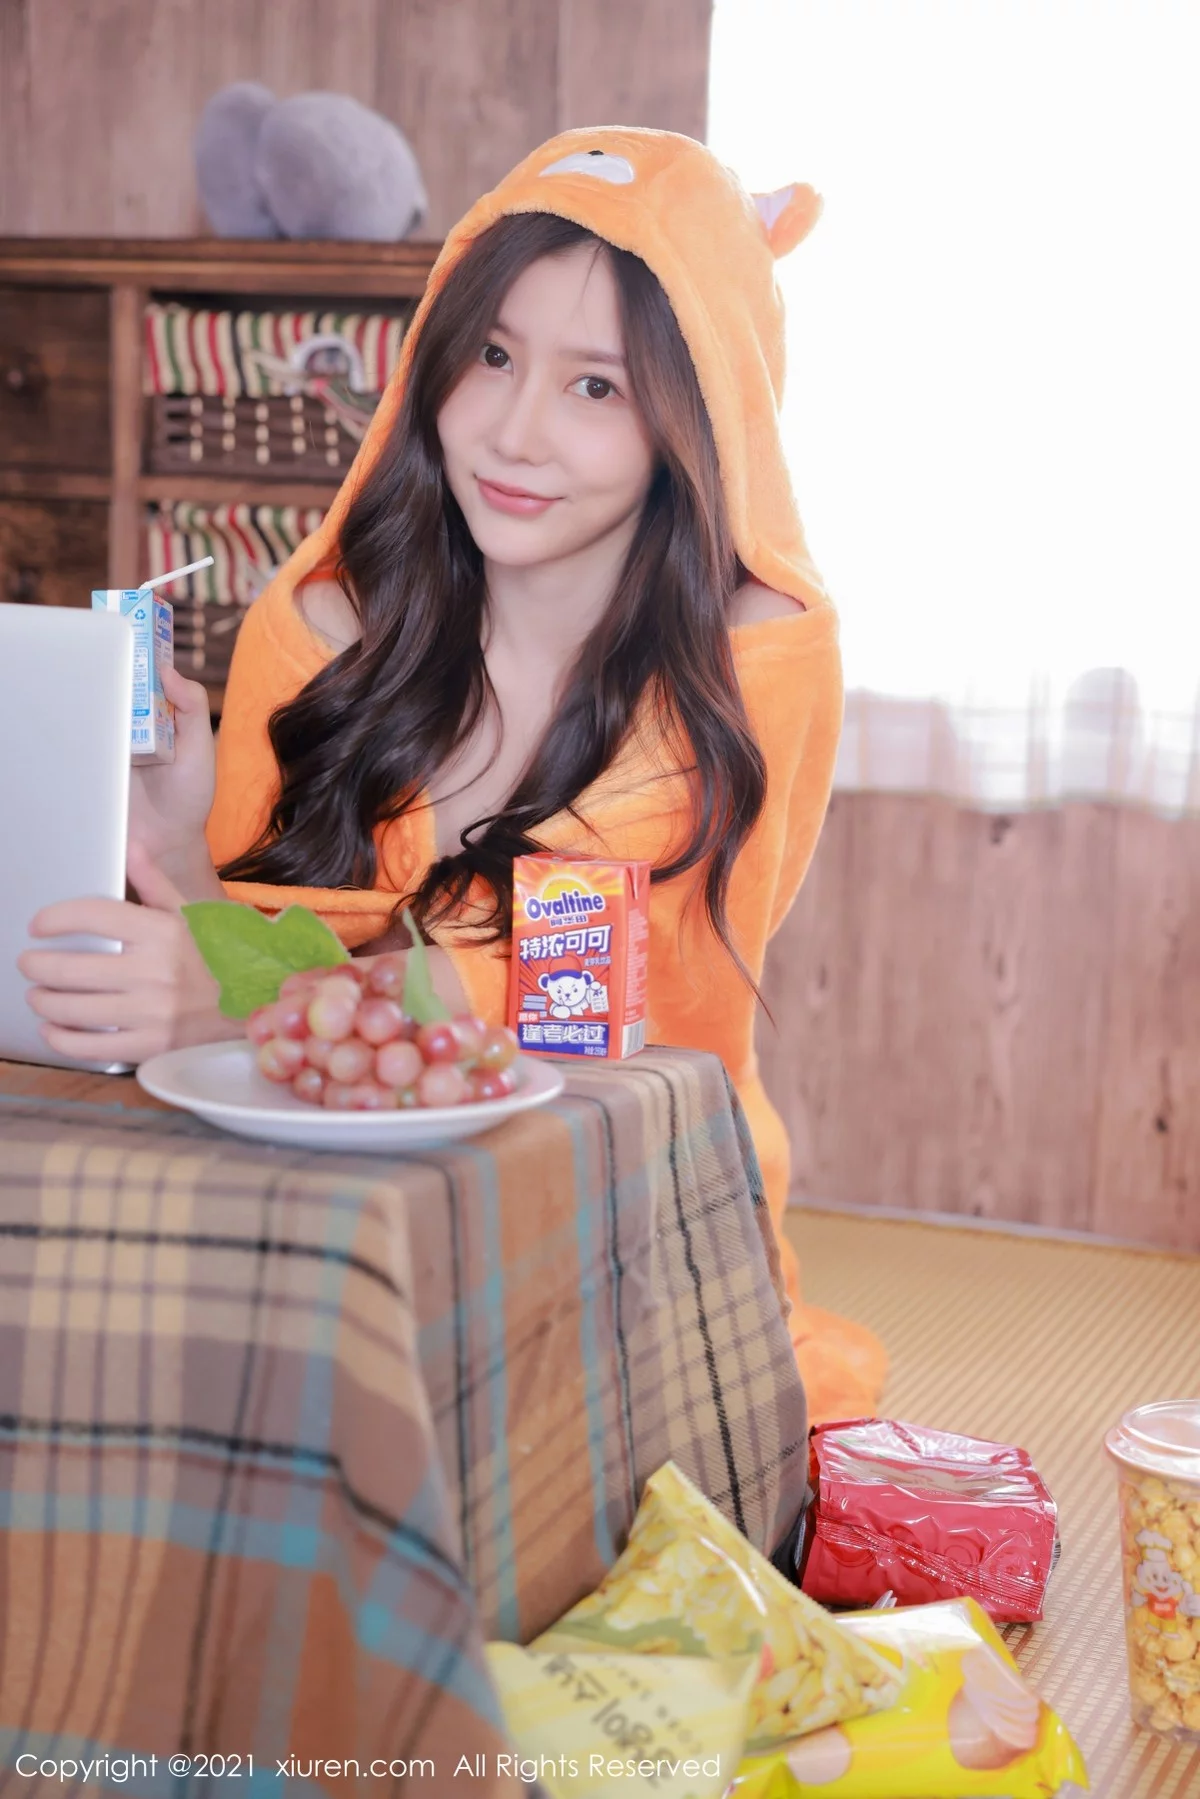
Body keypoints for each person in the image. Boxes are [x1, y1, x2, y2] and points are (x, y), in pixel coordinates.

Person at [18, 128, 885, 1423]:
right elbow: (254, 970)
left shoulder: (751, 659)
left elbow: (576, 1007)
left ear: (697, 416)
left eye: (596, 387)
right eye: (492, 355)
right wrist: (183, 848)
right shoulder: (323, 626)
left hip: (623, 1226)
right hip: (335, 1211)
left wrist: (259, 1001)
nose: (515, 433)